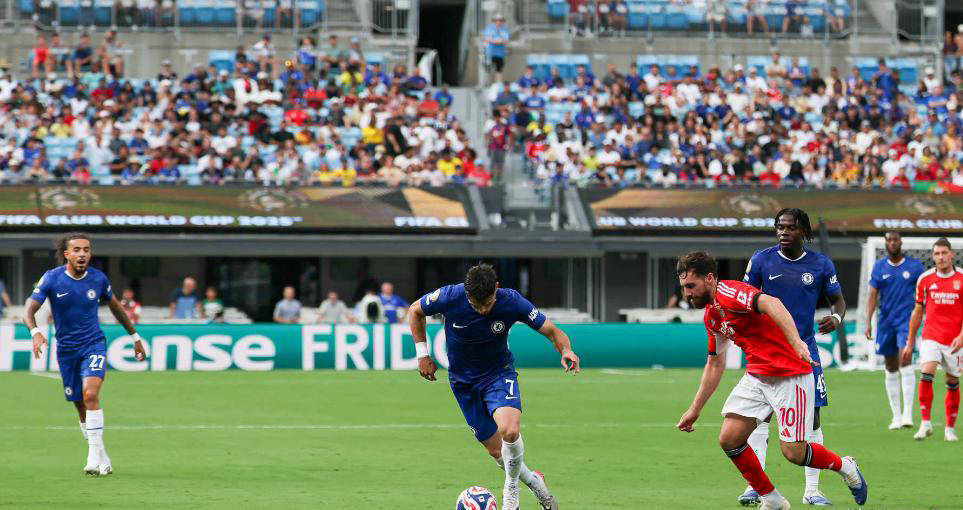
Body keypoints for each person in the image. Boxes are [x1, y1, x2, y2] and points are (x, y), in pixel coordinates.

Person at [675, 251, 868, 510]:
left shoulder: (731, 293)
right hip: (758, 376)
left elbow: (771, 303)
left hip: (791, 374)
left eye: (691, 286)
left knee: (794, 453)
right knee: (730, 438)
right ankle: (772, 499)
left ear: (709, 278)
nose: (687, 294)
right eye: (684, 288)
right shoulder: (711, 316)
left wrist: (797, 341)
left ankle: (846, 466)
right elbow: (715, 363)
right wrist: (694, 410)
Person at [408, 263, 579, 510]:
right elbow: (415, 310)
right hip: (463, 384)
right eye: (476, 306)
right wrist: (422, 354)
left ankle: (511, 488)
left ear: (496, 289)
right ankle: (534, 482)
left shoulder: (512, 301)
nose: (482, 310)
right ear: (467, 295)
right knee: (497, 452)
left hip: (498, 375)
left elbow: (552, 331)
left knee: (509, 431)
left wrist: (566, 349)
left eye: (487, 304)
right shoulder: (449, 296)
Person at [740, 208, 846, 506]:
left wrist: (836, 319)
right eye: (779, 227)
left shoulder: (821, 264)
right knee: (760, 414)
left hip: (805, 351)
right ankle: (756, 486)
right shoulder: (762, 260)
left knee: (812, 415)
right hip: (769, 350)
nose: (783, 232)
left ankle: (812, 490)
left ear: (805, 232)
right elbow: (746, 299)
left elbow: (837, 301)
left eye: (790, 228)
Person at [23, 233, 147, 476]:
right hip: (67, 351)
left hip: (93, 344)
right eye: (77, 250)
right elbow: (29, 310)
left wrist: (135, 337)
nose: (82, 254)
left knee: (91, 394)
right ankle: (102, 456)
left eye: (86, 250)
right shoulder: (52, 278)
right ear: (67, 254)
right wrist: (35, 332)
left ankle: (92, 456)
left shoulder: (98, 279)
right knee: (80, 405)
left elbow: (116, 308)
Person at [902, 238, 963, 442]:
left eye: (944, 253)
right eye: (936, 253)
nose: (940, 257)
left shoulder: (962, 278)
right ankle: (925, 423)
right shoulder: (925, 280)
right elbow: (917, 312)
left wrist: (962, 336)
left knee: (952, 381)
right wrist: (910, 343)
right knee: (927, 372)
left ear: (952, 254)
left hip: (955, 339)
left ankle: (949, 429)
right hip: (931, 337)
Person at [865, 231, 925, 429]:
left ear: (900, 242)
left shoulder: (915, 267)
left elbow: (924, 292)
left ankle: (908, 414)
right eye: (888, 240)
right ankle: (896, 416)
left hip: (906, 322)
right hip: (885, 323)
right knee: (890, 366)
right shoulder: (879, 266)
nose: (892, 243)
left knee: (905, 361)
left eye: (895, 240)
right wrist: (868, 321)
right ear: (885, 243)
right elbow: (872, 294)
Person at [483, 14, 510, 83]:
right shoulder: (489, 28)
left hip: (500, 53)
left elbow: (505, 40)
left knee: (499, 69)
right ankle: (487, 83)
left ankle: (498, 84)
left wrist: (496, 41)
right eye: (497, 20)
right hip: (490, 52)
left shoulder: (504, 30)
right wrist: (496, 41)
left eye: (500, 20)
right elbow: (486, 38)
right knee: (487, 68)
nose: (498, 22)